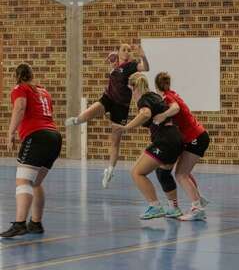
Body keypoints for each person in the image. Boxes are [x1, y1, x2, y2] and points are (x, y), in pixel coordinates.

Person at [65, 44, 149, 188]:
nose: (127, 52)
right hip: (108, 98)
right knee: (88, 114)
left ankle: (110, 170)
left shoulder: (132, 66)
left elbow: (146, 68)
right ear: (119, 52)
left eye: (129, 50)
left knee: (115, 141)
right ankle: (77, 120)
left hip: (121, 106)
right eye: (124, 50)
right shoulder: (115, 64)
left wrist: (142, 55)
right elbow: (113, 67)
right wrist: (112, 60)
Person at [0, 63, 62, 238]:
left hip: (37, 137)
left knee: (23, 182)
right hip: (54, 137)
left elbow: (20, 107)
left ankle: (20, 224)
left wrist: (10, 132)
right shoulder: (43, 91)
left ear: (17, 76)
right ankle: (35, 223)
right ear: (32, 75)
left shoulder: (20, 89)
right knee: (35, 183)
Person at [116, 73, 187, 220]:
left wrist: (126, 127)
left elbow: (146, 114)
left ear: (135, 88)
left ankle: (155, 206)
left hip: (165, 140)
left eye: (131, 90)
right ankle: (174, 208)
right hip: (176, 138)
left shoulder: (144, 99)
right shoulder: (155, 96)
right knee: (163, 173)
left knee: (137, 172)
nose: (132, 94)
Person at [153, 72, 210, 220]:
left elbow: (176, 108)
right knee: (184, 171)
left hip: (196, 137)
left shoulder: (167, 97)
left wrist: (163, 116)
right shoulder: (172, 93)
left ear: (155, 86)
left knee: (180, 174)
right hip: (198, 136)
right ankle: (199, 200)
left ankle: (197, 207)